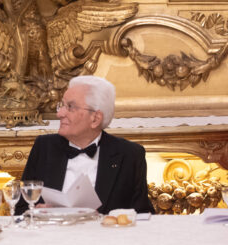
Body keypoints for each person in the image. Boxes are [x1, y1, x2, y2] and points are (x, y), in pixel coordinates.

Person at [18, 76, 154, 214]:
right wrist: (37, 212)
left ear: (95, 118)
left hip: (105, 234)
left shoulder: (129, 155)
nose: (60, 113)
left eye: (70, 107)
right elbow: (21, 208)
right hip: (52, 233)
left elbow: (142, 214)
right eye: (62, 105)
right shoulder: (44, 147)